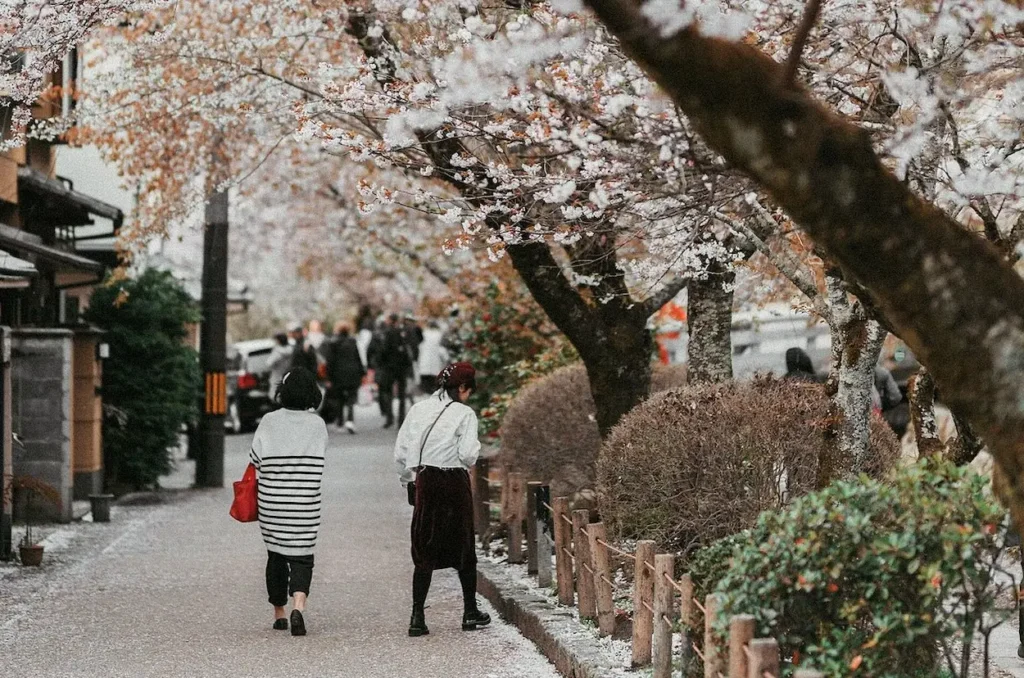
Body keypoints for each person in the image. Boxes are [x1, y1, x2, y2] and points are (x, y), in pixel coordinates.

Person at [394, 362, 491, 637]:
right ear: (462, 387)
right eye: (469, 390)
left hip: (425, 479)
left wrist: (408, 480)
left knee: (424, 544)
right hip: (454, 481)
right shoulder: (465, 414)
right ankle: (469, 611)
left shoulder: (418, 410)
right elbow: (468, 454)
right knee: (463, 545)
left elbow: (401, 453)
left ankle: (417, 616)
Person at [248, 367, 327, 637]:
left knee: (276, 554)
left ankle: (279, 613)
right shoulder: (317, 424)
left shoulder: (269, 421)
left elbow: (255, 458)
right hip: (305, 501)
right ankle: (299, 607)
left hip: (273, 501)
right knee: (303, 556)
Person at [325, 322, 365, 433]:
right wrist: (362, 373)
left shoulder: (333, 343)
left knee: (339, 399)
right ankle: (350, 420)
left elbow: (330, 361)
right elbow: (358, 358)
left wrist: (328, 377)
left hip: (338, 374)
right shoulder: (352, 342)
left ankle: (340, 422)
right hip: (353, 373)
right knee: (351, 398)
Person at [378, 314, 416, 428]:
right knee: (401, 394)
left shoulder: (388, 332)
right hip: (402, 367)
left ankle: (389, 418)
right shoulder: (404, 332)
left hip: (389, 367)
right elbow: (412, 346)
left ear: (390, 320)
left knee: (388, 392)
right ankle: (401, 419)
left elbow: (383, 350)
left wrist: (381, 362)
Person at [417, 321, 448, 394]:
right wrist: (446, 357)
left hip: (424, 360)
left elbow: (419, 346)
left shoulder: (424, 333)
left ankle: (425, 393)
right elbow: (441, 348)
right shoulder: (439, 334)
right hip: (435, 361)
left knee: (425, 381)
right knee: (434, 381)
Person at [268, 332, 292, 400]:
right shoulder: (292, 350)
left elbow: (269, 364)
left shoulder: (277, 353)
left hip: (278, 379)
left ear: (278, 341)